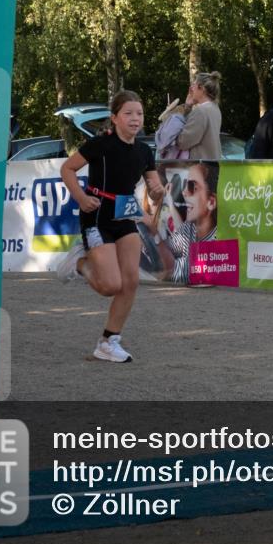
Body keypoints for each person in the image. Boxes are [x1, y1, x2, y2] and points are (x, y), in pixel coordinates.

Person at [58, 90, 166, 362]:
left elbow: (154, 190)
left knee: (130, 282)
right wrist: (81, 198)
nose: (135, 119)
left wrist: (157, 191)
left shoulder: (144, 150)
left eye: (139, 114)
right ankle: (80, 263)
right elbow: (67, 169)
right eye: (128, 113)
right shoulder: (100, 144)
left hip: (125, 215)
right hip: (97, 215)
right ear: (115, 118)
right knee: (110, 286)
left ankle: (108, 341)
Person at [147, 162, 220, 284]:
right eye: (185, 185)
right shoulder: (190, 227)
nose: (184, 192)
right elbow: (170, 247)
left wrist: (150, 228)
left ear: (211, 202)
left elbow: (173, 270)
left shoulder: (218, 239)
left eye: (192, 187)